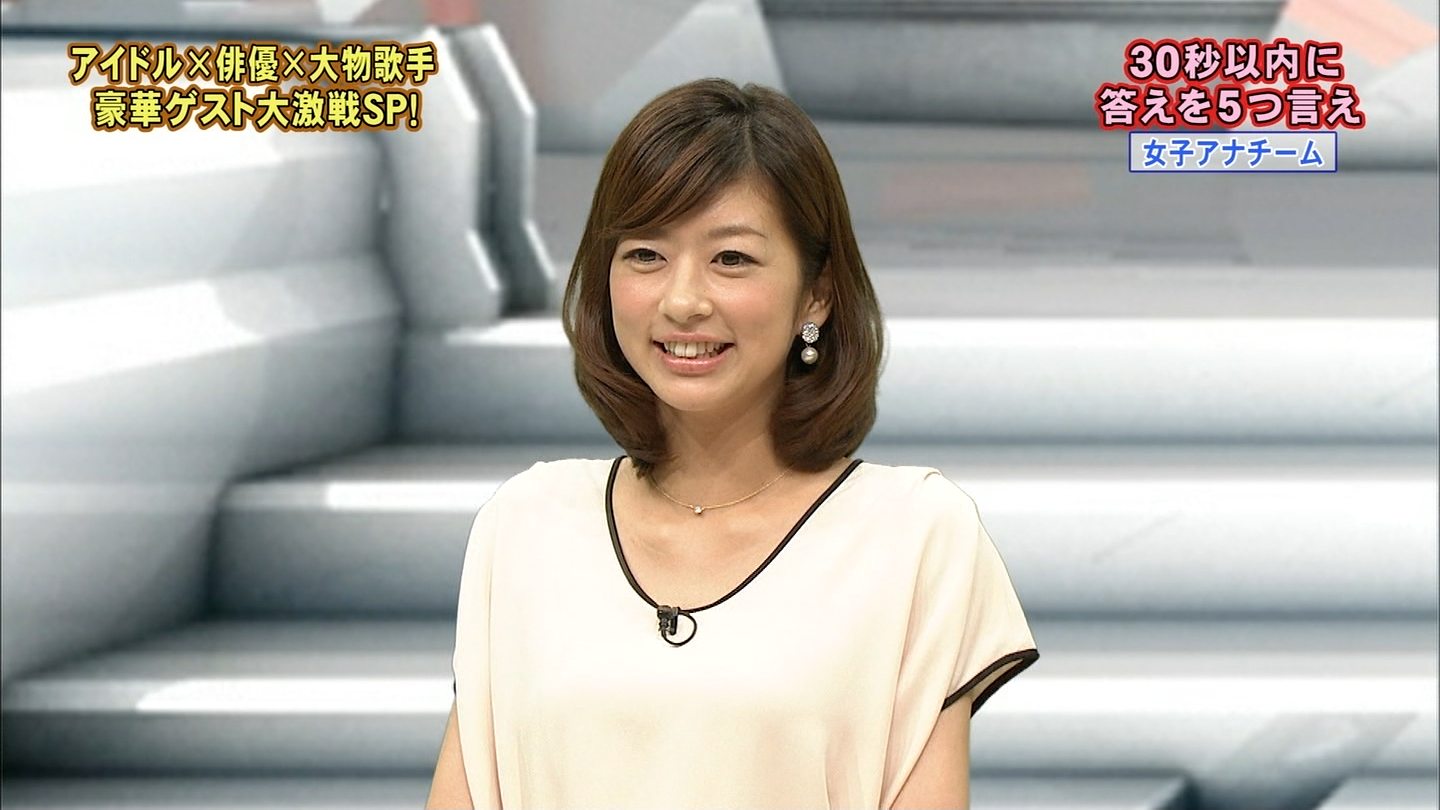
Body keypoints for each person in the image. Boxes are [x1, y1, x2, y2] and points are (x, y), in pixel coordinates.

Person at [427, 78, 1039, 810]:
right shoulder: (525, 521)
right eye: (645, 254)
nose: (683, 301)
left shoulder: (915, 533)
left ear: (817, 293)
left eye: (732, 259)